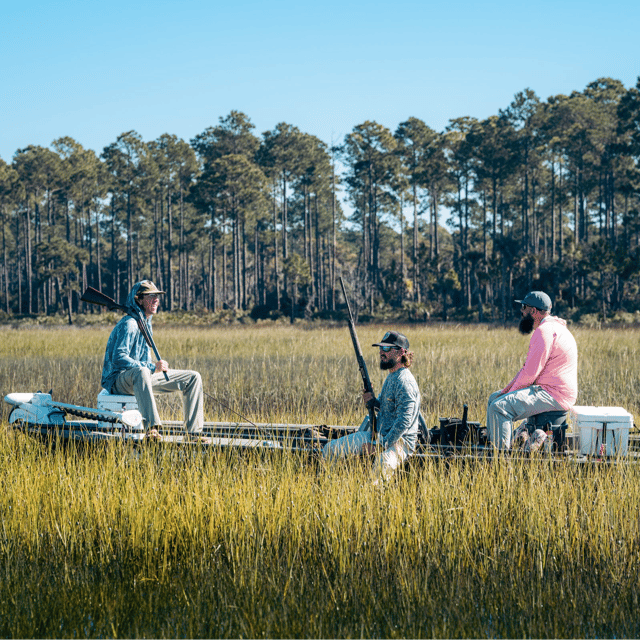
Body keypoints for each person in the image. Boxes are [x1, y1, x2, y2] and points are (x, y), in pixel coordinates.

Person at [101, 280, 207, 442]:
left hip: (141, 377)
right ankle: (152, 429)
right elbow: (119, 358)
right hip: (118, 381)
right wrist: (152, 367)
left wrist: (152, 368)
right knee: (142, 371)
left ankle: (193, 434)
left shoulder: (145, 323)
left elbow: (144, 364)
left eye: (157, 296)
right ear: (139, 300)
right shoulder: (129, 324)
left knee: (193, 377)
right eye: (151, 297)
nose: (156, 300)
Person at [322, 330, 421, 480]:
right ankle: (329, 484)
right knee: (331, 449)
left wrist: (379, 447)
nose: (382, 352)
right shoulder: (391, 377)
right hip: (378, 435)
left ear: (401, 352)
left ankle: (375, 499)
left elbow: (404, 421)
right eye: (381, 348)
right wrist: (373, 401)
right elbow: (385, 408)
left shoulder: (404, 381)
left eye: (387, 348)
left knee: (382, 464)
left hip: (400, 442)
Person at [486, 291, 578, 450]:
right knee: (494, 398)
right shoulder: (554, 327)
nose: (521, 311)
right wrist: (506, 391)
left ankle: (500, 459)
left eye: (524, 307)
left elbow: (529, 374)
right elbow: (527, 371)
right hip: (552, 391)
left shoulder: (544, 332)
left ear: (533, 311)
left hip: (553, 394)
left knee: (498, 407)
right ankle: (491, 444)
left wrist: (507, 394)